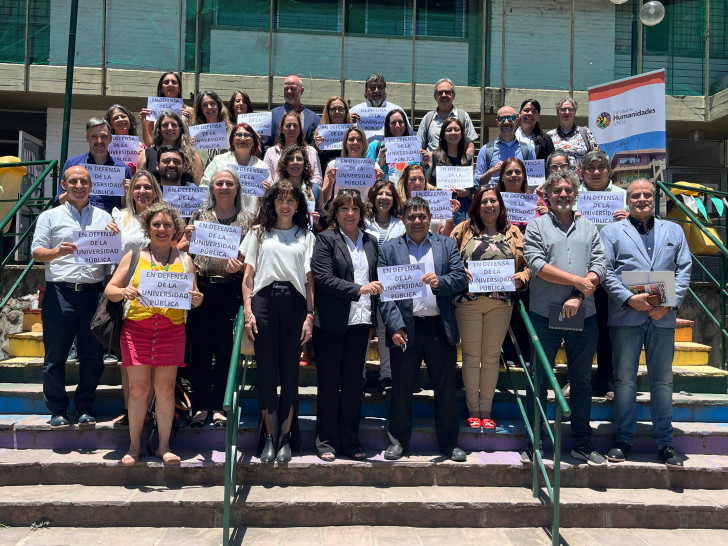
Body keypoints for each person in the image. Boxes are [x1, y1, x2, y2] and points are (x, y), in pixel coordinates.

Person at [601, 179, 692, 468]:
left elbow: (685, 268)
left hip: (663, 317)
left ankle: (664, 443)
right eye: (636, 195)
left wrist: (669, 303)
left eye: (647, 194)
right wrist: (629, 299)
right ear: (627, 201)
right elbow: (605, 270)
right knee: (624, 380)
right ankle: (624, 439)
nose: (642, 199)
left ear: (655, 199)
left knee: (663, 380)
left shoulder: (674, 230)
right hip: (627, 314)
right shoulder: (612, 231)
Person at [105, 203, 203, 466]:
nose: (162, 229)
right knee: (138, 389)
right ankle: (134, 447)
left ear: (176, 229)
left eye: (167, 225)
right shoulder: (134, 256)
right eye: (156, 224)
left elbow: (194, 296)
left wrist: (196, 299)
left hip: (171, 331)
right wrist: (123, 292)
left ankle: (163, 446)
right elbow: (110, 289)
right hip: (137, 330)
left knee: (165, 389)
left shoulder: (185, 260)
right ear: (148, 227)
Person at [523, 170, 607, 466]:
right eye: (557, 190)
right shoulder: (535, 226)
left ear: (575, 194)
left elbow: (600, 264)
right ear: (547, 195)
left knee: (582, 381)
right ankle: (535, 441)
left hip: (583, 312)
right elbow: (537, 265)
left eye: (567, 190)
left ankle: (582, 441)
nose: (562, 195)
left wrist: (579, 294)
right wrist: (577, 281)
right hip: (544, 313)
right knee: (540, 379)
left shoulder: (590, 228)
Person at [378, 196, 469, 461]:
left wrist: (439, 282)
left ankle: (449, 443)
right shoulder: (390, 249)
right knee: (402, 388)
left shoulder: (447, 243)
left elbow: (460, 278)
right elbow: (385, 294)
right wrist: (394, 326)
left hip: (440, 326)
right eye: (411, 217)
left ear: (430, 218)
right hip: (405, 328)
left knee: (445, 389)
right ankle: (398, 441)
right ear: (403, 220)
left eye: (421, 216)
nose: (417, 221)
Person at [31, 166, 113, 428]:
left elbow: (112, 255)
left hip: (93, 294)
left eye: (84, 181)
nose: (79, 185)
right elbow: (36, 253)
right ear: (64, 185)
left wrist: (115, 237)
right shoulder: (49, 217)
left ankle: (85, 406)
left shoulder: (105, 218)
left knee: (92, 354)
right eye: (73, 181)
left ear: (91, 186)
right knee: (55, 355)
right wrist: (57, 252)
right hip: (59, 293)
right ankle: (57, 409)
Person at [240, 181, 315, 464]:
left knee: (291, 376)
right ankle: (268, 439)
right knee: (267, 375)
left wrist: (309, 316)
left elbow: (309, 282)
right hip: (264, 304)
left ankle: (285, 439)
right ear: (271, 203)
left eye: (290, 201)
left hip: (295, 305)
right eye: (280, 200)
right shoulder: (259, 233)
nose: (285, 205)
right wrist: (248, 310)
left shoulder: (306, 236)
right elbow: (248, 277)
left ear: (298, 206)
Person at [450, 186, 530, 429]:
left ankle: (487, 409)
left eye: (493, 201)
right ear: (476, 205)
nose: (489, 205)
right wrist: (457, 271)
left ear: (500, 204)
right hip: (467, 303)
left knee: (492, 357)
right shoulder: (463, 229)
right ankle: (473, 410)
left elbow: (527, 266)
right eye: (483, 201)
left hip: (501, 303)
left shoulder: (514, 232)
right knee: (472, 357)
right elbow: (446, 258)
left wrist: (522, 278)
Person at [177, 167, 251, 429]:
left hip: (230, 291)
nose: (224, 187)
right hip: (201, 290)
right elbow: (185, 255)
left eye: (229, 183)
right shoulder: (199, 216)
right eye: (219, 183)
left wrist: (241, 267)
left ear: (237, 188)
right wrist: (186, 241)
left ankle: (219, 406)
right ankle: (199, 406)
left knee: (224, 350)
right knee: (200, 350)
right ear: (212, 187)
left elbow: (251, 259)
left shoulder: (248, 219)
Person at [311, 191, 381, 461]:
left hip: (361, 323)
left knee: (354, 385)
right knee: (329, 384)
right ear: (335, 213)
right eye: (344, 209)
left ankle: (350, 441)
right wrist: (360, 289)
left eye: (355, 208)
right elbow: (324, 278)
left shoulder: (371, 241)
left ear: (362, 212)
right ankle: (327, 442)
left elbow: (379, 277)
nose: (350, 213)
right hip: (331, 323)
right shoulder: (325, 239)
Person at [106, 170, 164, 425]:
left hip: (158, 292)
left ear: (155, 191)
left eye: (148, 187)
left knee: (156, 357)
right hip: (125, 291)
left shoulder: (163, 218)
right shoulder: (119, 216)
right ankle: (131, 410)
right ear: (131, 191)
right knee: (129, 358)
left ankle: (152, 410)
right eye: (138, 187)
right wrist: (107, 231)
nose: (142, 192)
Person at [572, 149, 628, 399]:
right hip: (576, 273)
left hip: (611, 275)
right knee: (574, 328)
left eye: (601, 167)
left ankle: (606, 379)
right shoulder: (572, 196)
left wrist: (630, 219)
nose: (596, 171)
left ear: (609, 170)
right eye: (591, 167)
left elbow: (642, 226)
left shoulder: (623, 197)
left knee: (607, 328)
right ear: (582, 171)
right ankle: (575, 380)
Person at [496, 158, 545, 367]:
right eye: (509, 172)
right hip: (501, 260)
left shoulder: (536, 201)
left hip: (528, 262)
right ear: (502, 177)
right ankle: (508, 355)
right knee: (503, 310)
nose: (513, 176)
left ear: (524, 175)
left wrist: (546, 213)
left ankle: (526, 355)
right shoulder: (495, 200)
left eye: (517, 172)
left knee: (525, 309)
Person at [364, 181, 406, 390]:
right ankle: (359, 374)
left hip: (390, 284)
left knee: (384, 329)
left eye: (388, 194)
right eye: (380, 193)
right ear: (373, 197)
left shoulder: (401, 224)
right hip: (365, 280)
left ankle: (387, 374)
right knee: (364, 329)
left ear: (394, 199)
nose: (384, 197)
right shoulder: (363, 221)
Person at [54, 117, 131, 213]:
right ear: (87, 138)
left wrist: (126, 193)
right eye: (94, 136)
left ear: (110, 138)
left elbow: (127, 209)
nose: (99, 141)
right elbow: (59, 201)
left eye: (103, 136)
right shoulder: (72, 164)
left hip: (112, 222)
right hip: (79, 219)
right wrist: (72, 190)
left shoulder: (123, 169)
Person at [201, 123, 271, 214]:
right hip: (222, 217)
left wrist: (268, 192)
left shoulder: (262, 167)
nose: (242, 138)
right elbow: (204, 186)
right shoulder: (218, 161)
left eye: (247, 135)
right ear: (232, 140)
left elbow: (271, 196)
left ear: (254, 141)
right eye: (238, 135)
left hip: (253, 218)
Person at [320, 126, 382, 210]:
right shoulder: (333, 165)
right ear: (345, 144)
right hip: (339, 212)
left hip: (364, 212)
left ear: (363, 144)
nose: (355, 142)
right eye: (351, 139)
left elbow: (376, 198)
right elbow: (323, 199)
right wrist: (331, 182)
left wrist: (377, 182)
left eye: (359, 140)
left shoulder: (373, 166)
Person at [427, 117, 474, 224]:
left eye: (456, 130)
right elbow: (424, 183)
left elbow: (472, 188)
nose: (453, 133)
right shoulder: (433, 155)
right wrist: (437, 190)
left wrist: (466, 192)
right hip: (439, 206)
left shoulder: (468, 158)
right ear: (443, 135)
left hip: (462, 210)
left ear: (462, 134)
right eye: (449, 130)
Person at [136, 111, 203, 185]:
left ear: (180, 129)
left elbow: (199, 186)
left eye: (174, 125)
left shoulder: (192, 156)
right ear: (159, 129)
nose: (170, 128)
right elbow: (138, 184)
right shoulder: (146, 154)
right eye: (165, 125)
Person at [474, 106, 534, 186]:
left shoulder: (528, 150)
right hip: (495, 197)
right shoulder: (485, 150)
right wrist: (492, 171)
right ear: (497, 122)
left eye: (510, 118)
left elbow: (533, 181)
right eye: (502, 119)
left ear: (516, 121)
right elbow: (478, 182)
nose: (506, 122)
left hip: (518, 197)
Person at [417, 78, 478, 157]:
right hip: (433, 167)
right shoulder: (428, 118)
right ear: (435, 96)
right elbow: (419, 146)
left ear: (453, 95)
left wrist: (467, 164)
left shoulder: (463, 116)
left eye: (447, 92)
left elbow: (470, 145)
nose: (444, 95)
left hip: (456, 167)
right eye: (440, 92)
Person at [367, 108, 428, 185]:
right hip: (385, 194)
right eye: (393, 123)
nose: (397, 126)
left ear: (405, 124)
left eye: (400, 122)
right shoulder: (374, 147)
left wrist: (423, 165)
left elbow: (421, 178)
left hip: (407, 194)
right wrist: (380, 164)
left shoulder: (415, 147)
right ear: (387, 126)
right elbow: (367, 175)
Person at [397, 164, 459, 237]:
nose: (417, 183)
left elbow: (445, 235)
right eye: (413, 179)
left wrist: (449, 218)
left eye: (421, 179)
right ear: (406, 183)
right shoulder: (398, 205)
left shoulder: (437, 203)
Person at [264, 112, 322, 187]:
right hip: (278, 196)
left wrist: (302, 187)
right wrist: (280, 188)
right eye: (288, 125)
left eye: (295, 125)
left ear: (300, 129)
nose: (292, 128)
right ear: (281, 129)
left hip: (304, 196)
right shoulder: (271, 152)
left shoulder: (311, 151)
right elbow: (266, 177)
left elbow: (318, 178)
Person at [139, 72, 195, 147]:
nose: (170, 84)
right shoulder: (152, 111)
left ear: (179, 89)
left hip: (183, 152)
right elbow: (150, 143)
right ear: (161, 89)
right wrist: (143, 122)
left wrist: (189, 121)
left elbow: (193, 140)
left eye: (174, 82)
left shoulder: (190, 111)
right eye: (166, 82)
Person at [266, 75, 321, 149]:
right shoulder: (272, 115)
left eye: (293, 88)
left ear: (301, 91)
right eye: (286, 89)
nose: (289, 91)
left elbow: (318, 146)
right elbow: (265, 144)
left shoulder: (314, 118)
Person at [546, 97, 599, 173]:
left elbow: (596, 157)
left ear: (575, 113)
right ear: (558, 113)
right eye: (563, 109)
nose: (567, 112)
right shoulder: (549, 136)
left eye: (570, 109)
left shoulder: (586, 133)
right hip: (558, 182)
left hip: (580, 183)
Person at [275, 144, 322, 230]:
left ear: (305, 164)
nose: (295, 162)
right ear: (285, 164)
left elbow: (321, 227)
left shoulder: (315, 189)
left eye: (299, 159)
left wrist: (317, 222)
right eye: (291, 159)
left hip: (308, 237)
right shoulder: (276, 189)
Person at [350, 73, 408, 141]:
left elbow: (409, 135)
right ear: (366, 90)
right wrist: (347, 123)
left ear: (385, 90)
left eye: (380, 87)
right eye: (372, 87)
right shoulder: (354, 111)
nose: (376, 90)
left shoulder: (397, 111)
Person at [191, 90, 232, 169]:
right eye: (205, 105)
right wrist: (190, 148)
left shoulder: (232, 130)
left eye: (212, 104)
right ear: (201, 110)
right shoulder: (195, 133)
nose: (209, 107)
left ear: (218, 106)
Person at [314, 96, 354, 169]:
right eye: (333, 109)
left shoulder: (353, 131)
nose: (337, 112)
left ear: (346, 112)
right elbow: (315, 161)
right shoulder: (320, 132)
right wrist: (319, 149)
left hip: (348, 173)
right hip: (327, 173)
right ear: (328, 112)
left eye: (340, 109)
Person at [105, 104, 145, 175]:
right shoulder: (105, 146)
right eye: (116, 118)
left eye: (123, 116)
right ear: (110, 125)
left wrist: (144, 157)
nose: (121, 119)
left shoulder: (141, 147)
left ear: (129, 120)